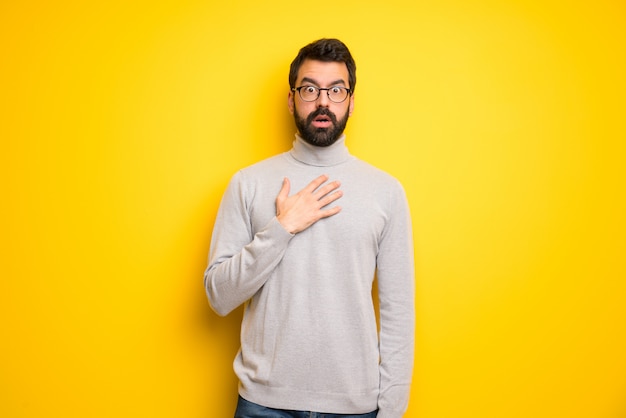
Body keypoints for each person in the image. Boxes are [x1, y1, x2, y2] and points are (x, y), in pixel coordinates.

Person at [204, 38, 415, 418]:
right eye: (309, 89)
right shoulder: (248, 183)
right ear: (291, 100)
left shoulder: (386, 192)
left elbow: (399, 314)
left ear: (351, 101)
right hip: (263, 406)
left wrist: (393, 412)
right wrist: (282, 228)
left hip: (355, 408)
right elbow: (219, 296)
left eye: (336, 90)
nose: (323, 101)